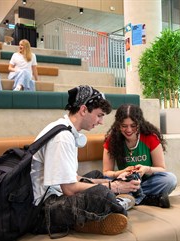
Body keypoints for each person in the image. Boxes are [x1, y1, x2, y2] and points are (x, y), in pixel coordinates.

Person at [30, 85, 140, 237]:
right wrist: (114, 187)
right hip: (44, 211)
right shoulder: (62, 138)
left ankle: (93, 218)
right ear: (83, 110)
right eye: (99, 115)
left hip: (56, 196)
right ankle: (116, 207)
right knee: (103, 193)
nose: (101, 122)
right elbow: (68, 189)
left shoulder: (66, 130)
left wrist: (111, 181)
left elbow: (72, 178)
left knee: (96, 176)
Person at [103, 104, 177, 208]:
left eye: (133, 126)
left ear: (139, 123)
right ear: (118, 125)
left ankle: (129, 198)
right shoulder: (112, 140)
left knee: (170, 179)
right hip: (125, 183)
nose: (129, 130)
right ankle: (146, 199)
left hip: (147, 181)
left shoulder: (150, 137)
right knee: (103, 182)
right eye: (124, 126)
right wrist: (122, 172)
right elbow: (106, 172)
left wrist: (146, 169)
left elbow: (161, 169)